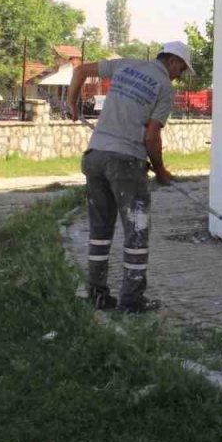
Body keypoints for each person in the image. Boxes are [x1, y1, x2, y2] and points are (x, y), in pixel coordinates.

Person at [67, 41, 192, 313]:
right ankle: (132, 301)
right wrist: (160, 171)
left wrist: (71, 102)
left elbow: (79, 72)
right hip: (126, 164)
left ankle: (97, 294)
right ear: (171, 61)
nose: (179, 75)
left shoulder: (125, 64)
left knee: (100, 231)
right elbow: (151, 136)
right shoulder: (164, 88)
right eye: (181, 69)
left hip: (95, 156)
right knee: (136, 234)